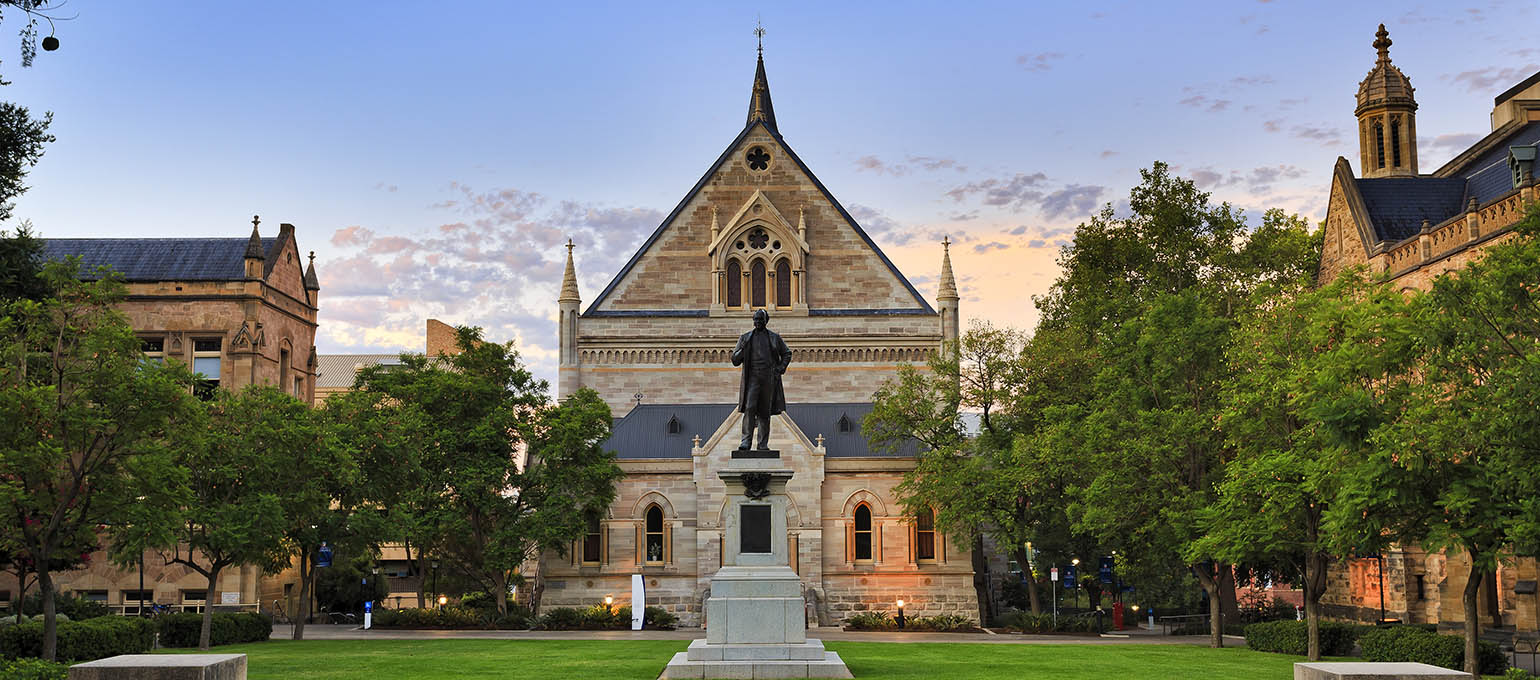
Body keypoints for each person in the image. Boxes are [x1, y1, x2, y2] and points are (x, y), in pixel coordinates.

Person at [731, 309, 791, 450]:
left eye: (760, 320)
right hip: (752, 378)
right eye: (756, 319)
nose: (757, 322)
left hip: (768, 378)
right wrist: (742, 350)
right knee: (750, 408)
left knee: (765, 411)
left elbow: (787, 353)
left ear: (766, 321)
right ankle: (746, 441)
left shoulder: (774, 338)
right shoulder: (746, 338)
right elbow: (735, 360)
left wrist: (780, 368)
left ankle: (762, 444)